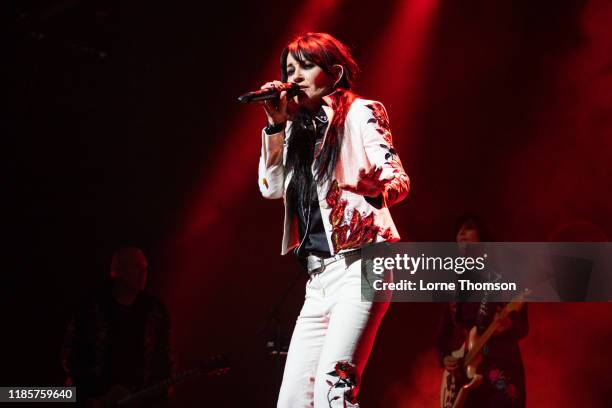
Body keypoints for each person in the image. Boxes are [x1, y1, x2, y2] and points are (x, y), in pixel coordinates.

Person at [257, 32, 410, 407]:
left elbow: (398, 177)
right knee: (292, 401)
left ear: (334, 72)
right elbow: (271, 188)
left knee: (334, 393)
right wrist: (275, 128)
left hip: (363, 266)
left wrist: (377, 191)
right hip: (318, 279)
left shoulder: (361, 112)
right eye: (288, 70)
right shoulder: (294, 129)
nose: (293, 77)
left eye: (305, 67)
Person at [61, 247, 174, 407]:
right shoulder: (91, 308)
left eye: (145, 267)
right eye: (136, 266)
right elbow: (73, 353)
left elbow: (164, 358)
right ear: (117, 270)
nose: (143, 272)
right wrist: (87, 395)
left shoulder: (155, 312)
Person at [437, 216, 528, 408]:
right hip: (464, 377)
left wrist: (508, 325)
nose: (461, 233)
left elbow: (523, 326)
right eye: (459, 230)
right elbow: (442, 336)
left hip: (498, 369)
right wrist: (445, 358)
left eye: (468, 228)